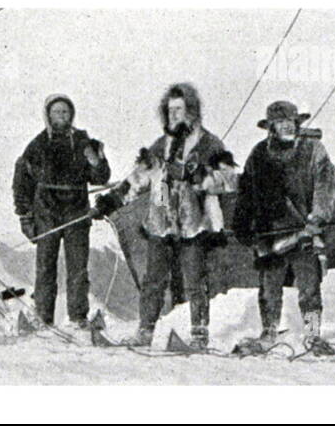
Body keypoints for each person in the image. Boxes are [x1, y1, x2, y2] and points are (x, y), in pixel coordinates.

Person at [94, 83, 237, 349]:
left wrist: (199, 177)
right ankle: (145, 333)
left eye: (179, 110)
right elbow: (138, 179)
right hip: (161, 221)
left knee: (195, 280)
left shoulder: (209, 144)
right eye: (170, 111)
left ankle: (199, 336)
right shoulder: (160, 147)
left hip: (194, 223)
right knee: (153, 281)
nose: (174, 116)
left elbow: (229, 180)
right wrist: (111, 201)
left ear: (191, 111)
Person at [232, 101, 335, 354]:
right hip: (270, 233)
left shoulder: (314, 150)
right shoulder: (259, 153)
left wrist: (317, 218)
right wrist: (243, 223)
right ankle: (269, 331)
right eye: (280, 122)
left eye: (291, 121)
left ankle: (313, 335)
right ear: (271, 128)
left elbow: (325, 185)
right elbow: (247, 191)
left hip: (305, 230)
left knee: (310, 288)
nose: (287, 126)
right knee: (269, 288)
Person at [12, 94, 110, 328]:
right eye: (57, 112)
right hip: (46, 212)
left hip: (76, 212)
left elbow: (101, 177)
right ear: (48, 115)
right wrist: (25, 216)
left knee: (78, 267)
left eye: (65, 112)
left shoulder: (84, 142)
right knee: (45, 267)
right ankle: (42, 318)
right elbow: (21, 182)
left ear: (71, 114)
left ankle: (78, 318)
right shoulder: (37, 145)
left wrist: (96, 160)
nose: (61, 116)